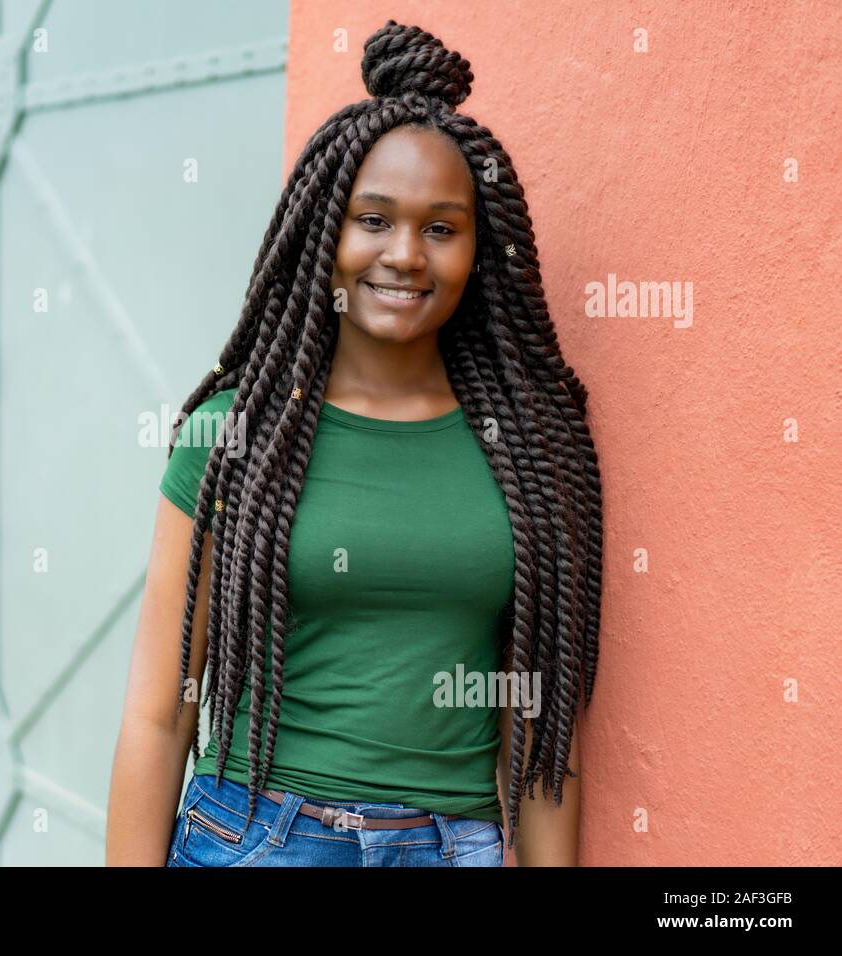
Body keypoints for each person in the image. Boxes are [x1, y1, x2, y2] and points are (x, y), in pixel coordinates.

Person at [106, 20, 601, 867]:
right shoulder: (235, 431)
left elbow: (542, 742)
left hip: (452, 846)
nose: (405, 255)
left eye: (442, 229)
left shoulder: (528, 447)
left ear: (479, 252)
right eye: (374, 219)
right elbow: (160, 713)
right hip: (259, 838)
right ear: (323, 232)